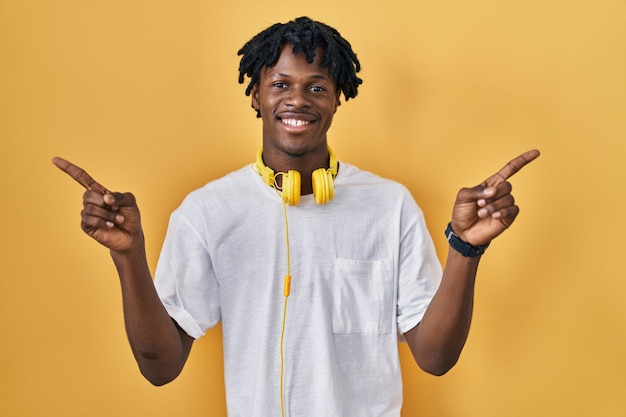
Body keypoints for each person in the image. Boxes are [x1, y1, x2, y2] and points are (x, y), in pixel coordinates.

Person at [53, 16, 539, 417]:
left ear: (336, 100)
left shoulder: (390, 206)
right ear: (255, 96)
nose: (298, 100)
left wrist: (466, 248)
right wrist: (129, 258)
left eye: (318, 87)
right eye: (281, 84)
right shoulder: (208, 211)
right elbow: (160, 368)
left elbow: (435, 359)